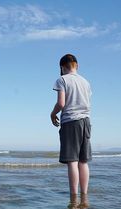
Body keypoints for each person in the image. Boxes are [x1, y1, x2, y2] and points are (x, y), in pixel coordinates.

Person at [50, 54, 92, 196]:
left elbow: (61, 103)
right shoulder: (85, 82)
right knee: (83, 161)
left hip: (70, 122)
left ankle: (74, 196)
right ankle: (84, 195)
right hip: (86, 121)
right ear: (77, 65)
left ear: (62, 67)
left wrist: (52, 113)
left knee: (72, 161)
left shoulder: (62, 80)